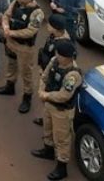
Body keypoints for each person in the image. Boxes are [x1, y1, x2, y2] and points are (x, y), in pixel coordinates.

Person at [31, 40, 83, 180]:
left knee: (62, 138)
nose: (56, 55)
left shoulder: (73, 75)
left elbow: (64, 95)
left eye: (60, 54)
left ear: (68, 57)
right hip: (49, 104)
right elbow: (45, 76)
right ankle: (48, 150)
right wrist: (41, 90)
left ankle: (62, 166)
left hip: (61, 111)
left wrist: (46, 95)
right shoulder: (54, 61)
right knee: (47, 128)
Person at [0, 0, 45, 114]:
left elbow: (31, 31)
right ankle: (10, 86)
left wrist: (11, 33)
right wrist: (6, 27)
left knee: (26, 72)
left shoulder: (37, 13)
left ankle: (27, 97)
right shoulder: (16, 2)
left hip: (25, 47)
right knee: (11, 64)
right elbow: (6, 15)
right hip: (11, 42)